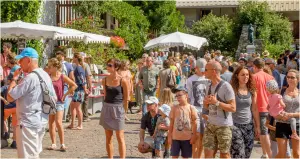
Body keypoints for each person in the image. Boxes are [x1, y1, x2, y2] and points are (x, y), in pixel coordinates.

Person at [7, 47, 56, 158]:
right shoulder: (45, 75)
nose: (19, 63)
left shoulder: (30, 78)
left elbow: (10, 97)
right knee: (34, 154)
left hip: (28, 123)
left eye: (21, 60)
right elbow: (54, 97)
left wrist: (14, 79)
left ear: (28, 60)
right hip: (41, 120)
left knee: (27, 156)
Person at [203, 61, 236, 158]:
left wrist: (216, 102)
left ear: (213, 71)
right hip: (210, 124)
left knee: (224, 154)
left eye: (206, 70)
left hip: (224, 126)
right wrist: (206, 104)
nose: (204, 72)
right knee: (208, 154)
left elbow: (233, 108)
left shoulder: (226, 86)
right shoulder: (208, 85)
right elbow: (207, 107)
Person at [99, 58, 128, 159]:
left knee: (120, 136)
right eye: (107, 64)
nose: (107, 66)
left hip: (118, 108)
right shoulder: (105, 80)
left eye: (110, 65)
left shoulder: (123, 80)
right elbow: (105, 95)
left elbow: (126, 98)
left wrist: (124, 112)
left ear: (116, 67)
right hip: (107, 108)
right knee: (108, 137)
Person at [46, 58, 77, 151]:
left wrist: (65, 95)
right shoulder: (48, 76)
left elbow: (74, 85)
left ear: (55, 67)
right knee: (51, 123)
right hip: (50, 102)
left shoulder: (62, 76)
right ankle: (53, 143)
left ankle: (62, 144)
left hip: (59, 102)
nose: (48, 68)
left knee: (58, 122)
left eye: (50, 67)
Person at [230, 66, 261, 158]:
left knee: (247, 153)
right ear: (237, 76)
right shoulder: (232, 90)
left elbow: (254, 109)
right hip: (234, 125)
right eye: (242, 75)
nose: (245, 77)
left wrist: (257, 126)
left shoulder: (252, 91)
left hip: (248, 125)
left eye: (247, 74)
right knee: (238, 154)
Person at [186, 58, 209, 158]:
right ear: (196, 68)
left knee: (205, 139)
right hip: (195, 111)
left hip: (207, 112)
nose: (203, 71)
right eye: (201, 69)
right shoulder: (190, 80)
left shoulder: (208, 78)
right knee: (196, 137)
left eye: (205, 69)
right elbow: (188, 97)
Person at [252, 58, 274, 158]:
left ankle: (269, 154)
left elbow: (252, 95)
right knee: (264, 132)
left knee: (264, 133)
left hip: (259, 108)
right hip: (270, 107)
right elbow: (275, 93)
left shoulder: (253, 77)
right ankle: (265, 154)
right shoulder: (270, 77)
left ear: (254, 66)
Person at [168, 86, 198, 158]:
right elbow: (171, 123)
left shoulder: (191, 108)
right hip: (175, 138)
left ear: (186, 96)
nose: (178, 97)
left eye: (180, 95)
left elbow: (195, 123)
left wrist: (194, 135)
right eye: (176, 96)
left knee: (185, 156)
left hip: (187, 138)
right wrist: (169, 136)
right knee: (174, 156)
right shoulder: (174, 108)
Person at [276, 69, 300, 158]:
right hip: (282, 123)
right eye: (288, 77)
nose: (289, 79)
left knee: (297, 154)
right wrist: (280, 114)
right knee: (282, 154)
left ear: (298, 79)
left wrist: (291, 115)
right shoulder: (281, 91)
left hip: (296, 124)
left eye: (292, 77)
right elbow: (274, 107)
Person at [68, 53, 88, 130]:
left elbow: (82, 79)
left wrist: (85, 88)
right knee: (72, 106)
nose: (72, 58)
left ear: (76, 58)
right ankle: (72, 123)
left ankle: (80, 124)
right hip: (77, 89)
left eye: (73, 57)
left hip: (79, 90)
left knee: (77, 107)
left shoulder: (79, 68)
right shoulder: (78, 67)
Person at [55, 51, 75, 122]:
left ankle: (55, 125)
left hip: (54, 87)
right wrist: (71, 89)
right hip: (64, 88)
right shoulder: (69, 65)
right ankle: (59, 123)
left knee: (54, 107)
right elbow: (72, 77)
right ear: (64, 56)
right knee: (62, 107)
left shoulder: (54, 64)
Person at [1, 74, 17, 148]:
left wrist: (4, 100)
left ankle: (6, 132)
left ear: (9, 80)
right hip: (16, 108)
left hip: (7, 108)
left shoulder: (5, 87)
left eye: (7, 79)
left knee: (3, 119)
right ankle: (14, 142)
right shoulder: (17, 87)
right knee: (15, 125)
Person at [79, 52, 92, 122]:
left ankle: (71, 116)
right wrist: (90, 86)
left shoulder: (74, 64)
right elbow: (88, 77)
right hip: (84, 85)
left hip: (76, 85)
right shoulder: (85, 65)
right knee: (85, 101)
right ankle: (85, 116)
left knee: (76, 101)